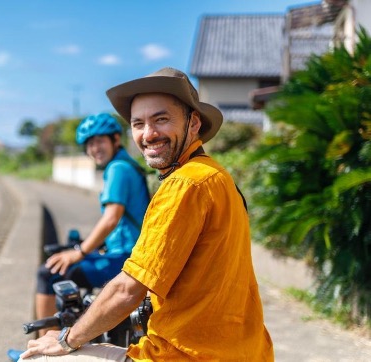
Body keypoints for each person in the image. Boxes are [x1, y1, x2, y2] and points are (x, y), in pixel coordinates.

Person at [20, 67, 273, 361]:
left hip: (186, 355)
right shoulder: (216, 175)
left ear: (193, 123)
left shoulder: (183, 184)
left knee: (40, 358)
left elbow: (128, 289)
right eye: (138, 123)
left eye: (161, 119)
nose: (149, 134)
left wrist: (66, 340)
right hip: (244, 350)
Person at [34, 112, 150, 333]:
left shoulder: (117, 169)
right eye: (89, 144)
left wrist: (80, 251)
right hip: (129, 254)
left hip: (124, 259)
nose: (94, 149)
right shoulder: (127, 165)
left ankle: (45, 349)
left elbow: (111, 218)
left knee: (48, 273)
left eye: (99, 142)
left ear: (115, 140)